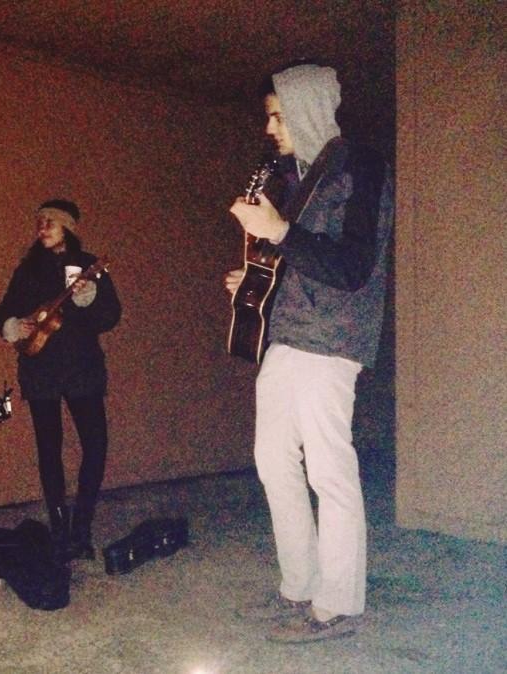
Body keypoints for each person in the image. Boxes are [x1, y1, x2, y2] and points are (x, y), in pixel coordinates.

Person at [226, 63, 394, 643]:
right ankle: (300, 587)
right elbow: (305, 257)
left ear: (305, 108)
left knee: (329, 469)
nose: (270, 127)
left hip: (334, 339)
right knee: (272, 459)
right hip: (289, 333)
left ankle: (338, 604)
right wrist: (258, 276)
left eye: (278, 114)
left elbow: (350, 266)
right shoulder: (299, 175)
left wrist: (277, 233)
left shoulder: (361, 165)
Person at [0, 199, 121, 561]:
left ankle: (82, 526)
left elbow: (110, 316)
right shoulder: (28, 270)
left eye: (51, 222)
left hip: (82, 368)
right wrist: (13, 325)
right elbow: (5, 309)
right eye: (40, 222)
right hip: (41, 370)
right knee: (49, 450)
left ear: (69, 228)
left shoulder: (89, 266)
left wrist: (91, 299)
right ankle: (59, 527)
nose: (43, 228)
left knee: (95, 446)